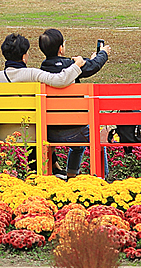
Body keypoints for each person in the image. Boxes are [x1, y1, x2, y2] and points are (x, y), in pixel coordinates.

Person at [0, 33, 85, 171]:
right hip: (32, 135)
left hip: (2, 136)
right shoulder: (33, 74)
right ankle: (55, 169)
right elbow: (60, 80)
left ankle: (56, 168)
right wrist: (77, 65)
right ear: (24, 56)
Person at [38, 28, 110, 179]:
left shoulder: (42, 69)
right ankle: (103, 177)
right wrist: (102, 53)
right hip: (76, 130)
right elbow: (93, 66)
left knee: (78, 146)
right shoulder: (72, 65)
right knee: (95, 137)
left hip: (50, 132)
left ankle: (71, 175)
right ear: (61, 49)